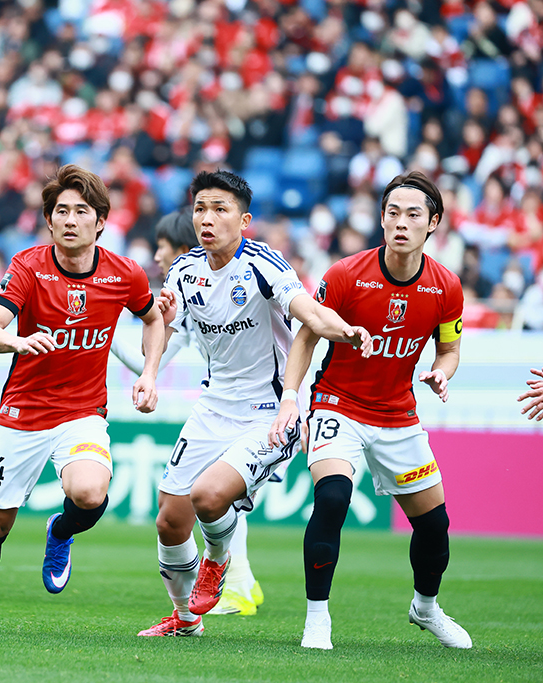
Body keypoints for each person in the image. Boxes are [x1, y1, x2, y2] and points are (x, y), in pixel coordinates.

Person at [136, 170, 371, 638]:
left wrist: (342, 329)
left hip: (269, 414)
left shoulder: (264, 263)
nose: (207, 219)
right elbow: (163, 324)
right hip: (212, 407)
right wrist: (149, 373)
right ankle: (185, 620)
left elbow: (307, 310)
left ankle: (217, 560)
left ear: (243, 220)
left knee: (208, 497)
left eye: (219, 209)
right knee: (169, 521)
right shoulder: (184, 271)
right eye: (200, 209)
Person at [0, 164, 166, 634]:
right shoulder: (28, 266)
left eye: (82, 211)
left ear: (101, 221)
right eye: (61, 211)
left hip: (82, 413)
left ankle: (60, 530)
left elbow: (153, 319)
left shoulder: (124, 273)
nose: (71, 220)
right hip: (23, 413)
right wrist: (17, 341)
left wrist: (149, 373)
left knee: (89, 493)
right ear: (49, 220)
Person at [269, 170, 472, 650]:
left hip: (398, 415)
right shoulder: (345, 274)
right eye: (393, 213)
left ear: (433, 223)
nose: (401, 222)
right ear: (381, 219)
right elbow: (306, 337)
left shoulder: (446, 287)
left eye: (413, 215)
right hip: (337, 405)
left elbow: (449, 350)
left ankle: (426, 608)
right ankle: (317, 618)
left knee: (435, 525)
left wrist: (442, 372)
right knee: (333, 499)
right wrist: (291, 397)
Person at [110, 208, 266, 617]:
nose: (157, 256)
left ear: (182, 248)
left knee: (222, 497)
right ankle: (239, 585)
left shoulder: (242, 281)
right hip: (222, 410)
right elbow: (151, 357)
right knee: (211, 500)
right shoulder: (188, 297)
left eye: (162, 246)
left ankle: (235, 585)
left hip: (262, 414)